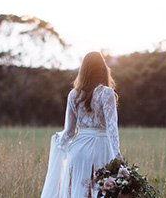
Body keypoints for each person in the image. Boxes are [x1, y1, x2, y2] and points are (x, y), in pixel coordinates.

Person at [40, 51, 121, 198]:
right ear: (103, 69)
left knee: (78, 192)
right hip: (101, 149)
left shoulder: (74, 94)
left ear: (83, 70)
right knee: (100, 192)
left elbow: (69, 131)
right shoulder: (106, 93)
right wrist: (118, 156)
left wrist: (59, 141)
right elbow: (112, 128)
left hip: (78, 150)